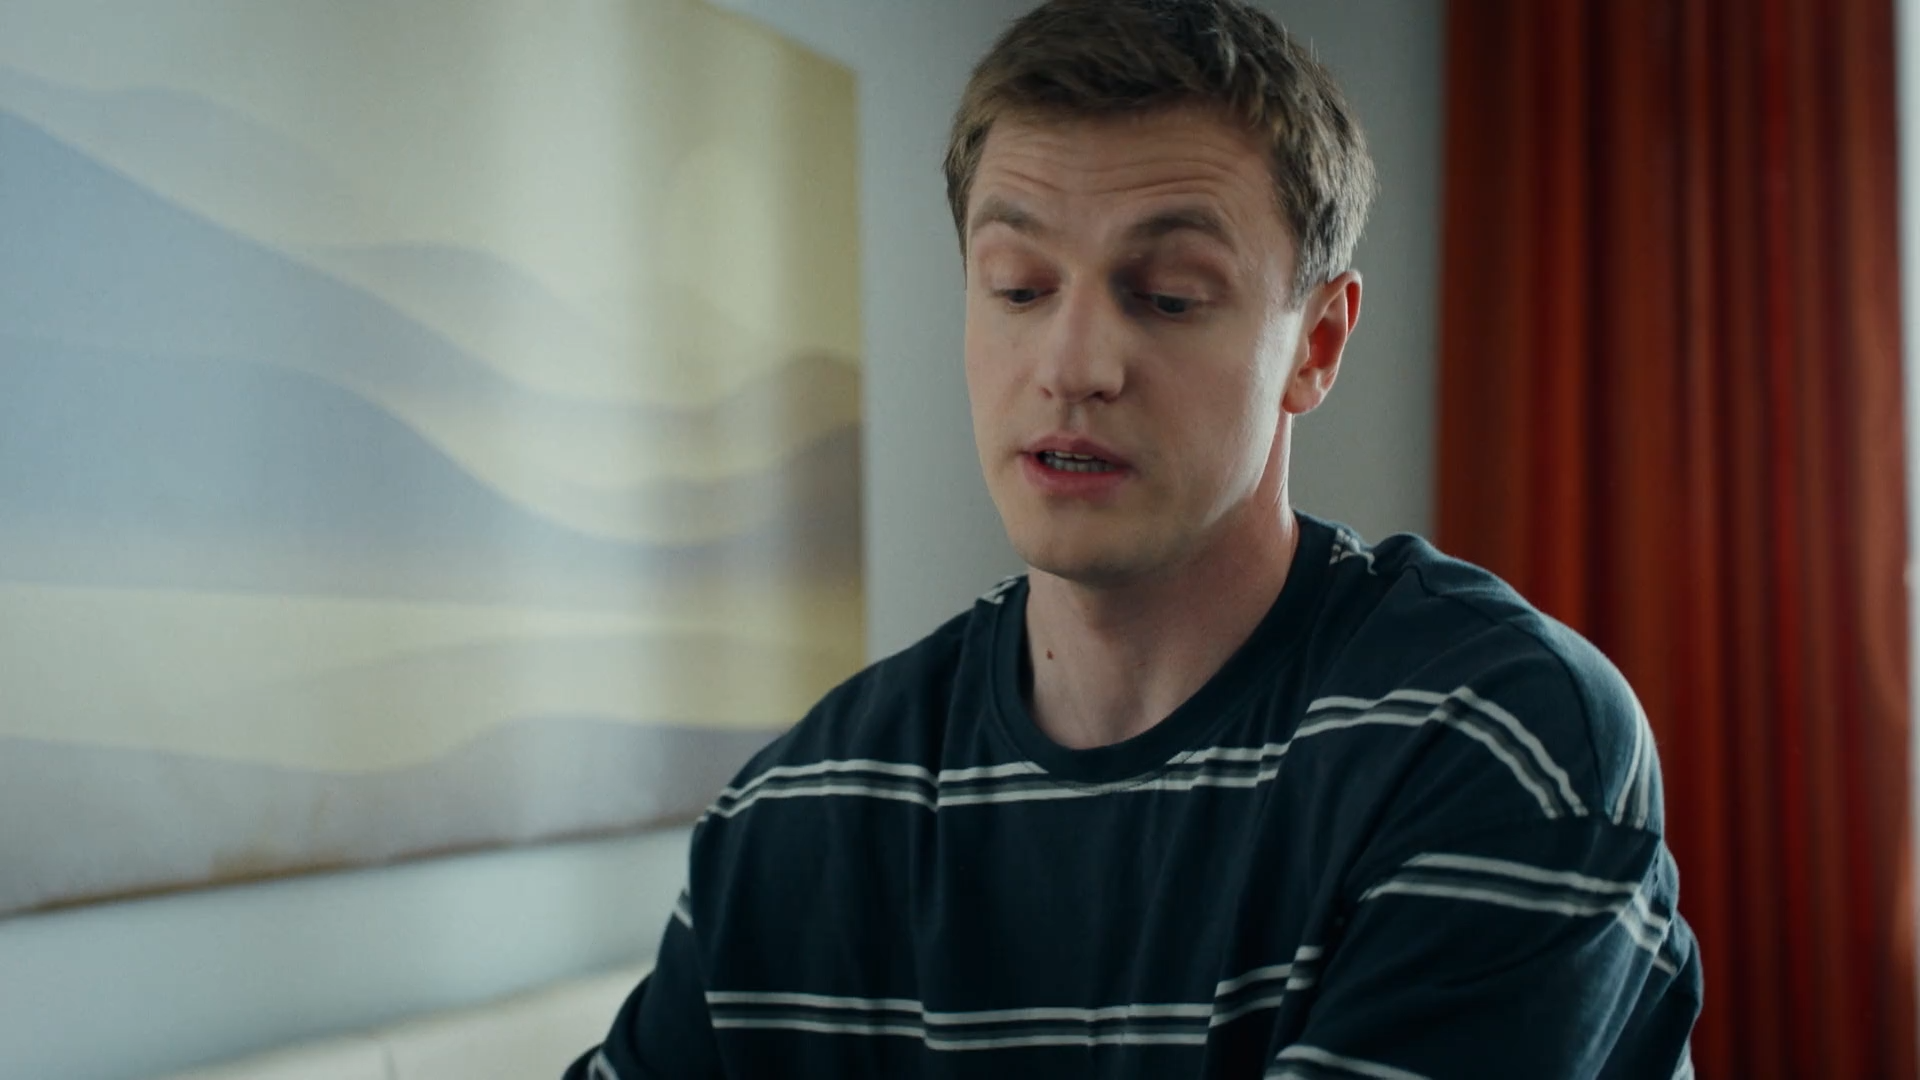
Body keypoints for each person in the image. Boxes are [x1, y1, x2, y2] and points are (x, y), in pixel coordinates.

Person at [568, 0, 1703, 1076]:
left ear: (1315, 345)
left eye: (1166, 296)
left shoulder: (1492, 737)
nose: (1072, 366)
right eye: (1019, 288)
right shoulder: (800, 808)